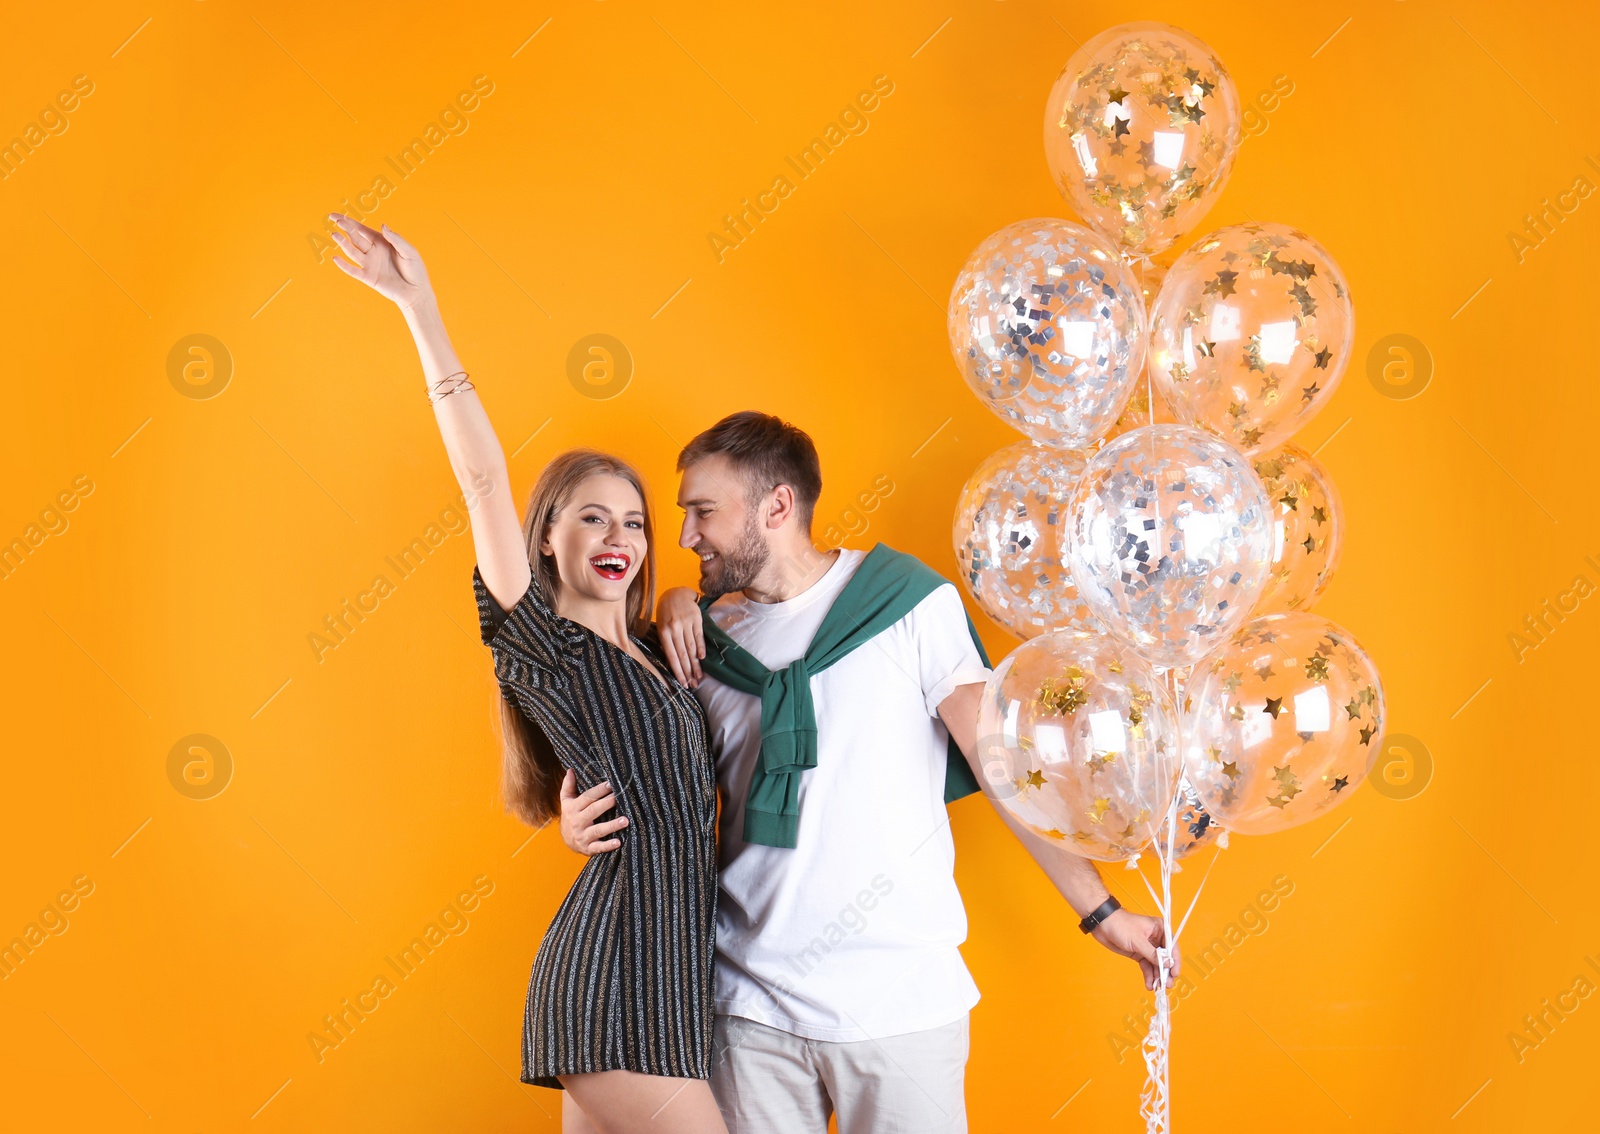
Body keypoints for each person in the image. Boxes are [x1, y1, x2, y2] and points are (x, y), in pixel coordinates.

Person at [561, 411, 1180, 1134]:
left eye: (702, 511)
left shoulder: (908, 606)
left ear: (778, 506)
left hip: (900, 1004)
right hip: (747, 1009)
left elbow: (1005, 771)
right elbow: (648, 777)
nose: (686, 536)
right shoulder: (702, 641)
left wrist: (1101, 912)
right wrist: (577, 821)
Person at [327, 214, 726, 1134]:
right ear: (547, 538)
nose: (618, 537)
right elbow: (480, 478)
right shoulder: (547, 641)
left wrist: (677, 606)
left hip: (668, 991)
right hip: (614, 983)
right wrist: (418, 306)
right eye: (592, 518)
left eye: (632, 522)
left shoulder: (663, 656)